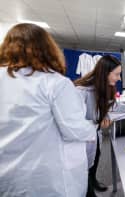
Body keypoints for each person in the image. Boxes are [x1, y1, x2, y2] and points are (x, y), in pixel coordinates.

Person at [0, 23, 96, 196]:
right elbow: (75, 131)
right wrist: (93, 127)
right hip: (46, 179)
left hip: (7, 177)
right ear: (47, 49)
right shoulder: (54, 83)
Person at [74, 55, 125, 197]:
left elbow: (111, 104)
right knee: (84, 172)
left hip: (95, 137)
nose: (119, 78)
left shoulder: (104, 87)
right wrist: (96, 123)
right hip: (82, 142)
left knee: (95, 162)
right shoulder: (81, 91)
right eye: (117, 74)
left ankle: (93, 183)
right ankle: (89, 191)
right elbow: (73, 123)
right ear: (106, 73)